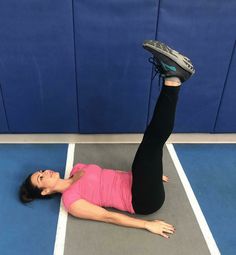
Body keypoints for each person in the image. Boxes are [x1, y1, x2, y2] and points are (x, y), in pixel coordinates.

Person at [19, 40, 195, 239]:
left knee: (151, 142)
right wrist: (146, 225)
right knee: (153, 141)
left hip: (140, 181)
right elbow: (106, 216)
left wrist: (150, 174)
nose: (45, 172)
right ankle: (173, 79)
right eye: (41, 178)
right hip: (142, 201)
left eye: (41, 171)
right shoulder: (71, 201)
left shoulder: (77, 168)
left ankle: (173, 78)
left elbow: (112, 176)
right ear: (45, 192)